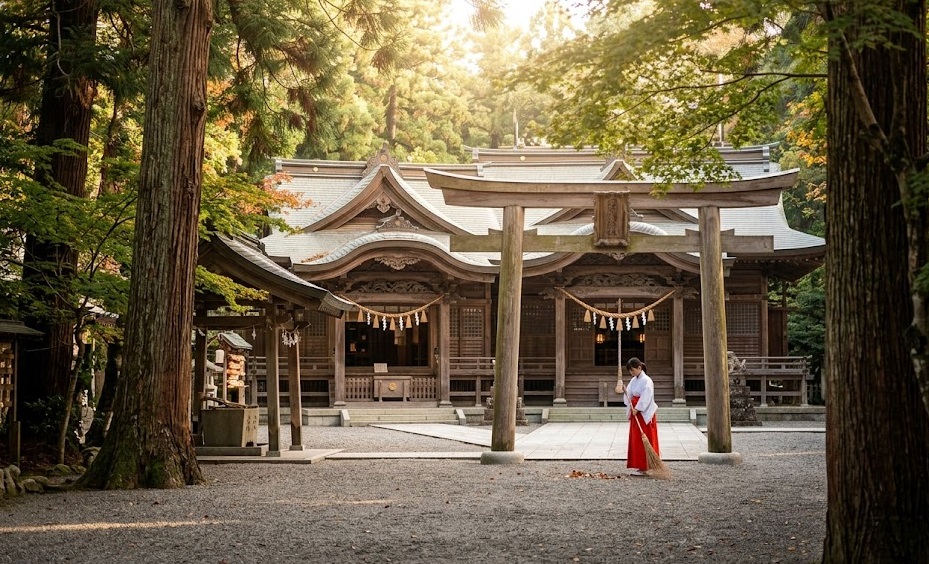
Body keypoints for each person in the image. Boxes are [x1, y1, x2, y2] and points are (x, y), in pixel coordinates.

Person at [620, 357, 660, 476]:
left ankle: (646, 466)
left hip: (643, 412)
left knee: (645, 438)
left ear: (639, 368)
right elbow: (630, 394)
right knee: (636, 439)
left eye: (633, 370)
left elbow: (647, 396)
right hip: (635, 411)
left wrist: (638, 408)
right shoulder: (633, 380)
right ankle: (640, 465)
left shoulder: (647, 380)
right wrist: (625, 391)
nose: (631, 373)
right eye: (630, 371)